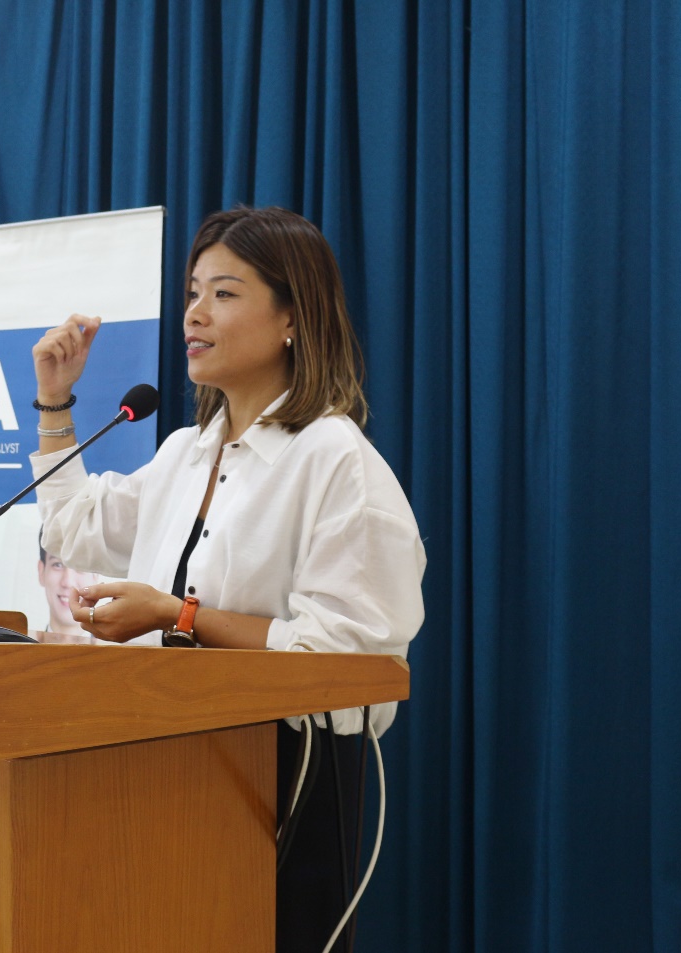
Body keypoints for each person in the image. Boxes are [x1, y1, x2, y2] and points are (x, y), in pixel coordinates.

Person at [29, 206, 426, 952]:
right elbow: (75, 527)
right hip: (164, 759)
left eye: (224, 293)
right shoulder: (186, 450)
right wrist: (55, 401)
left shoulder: (336, 462)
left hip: (283, 780)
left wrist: (176, 616)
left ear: (292, 318)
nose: (195, 313)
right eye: (192, 292)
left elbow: (354, 664)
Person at [32, 530, 98, 643]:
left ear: (95, 575)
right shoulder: (20, 652)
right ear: (41, 571)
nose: (68, 582)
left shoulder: (119, 653)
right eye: (57, 565)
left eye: (80, 566)